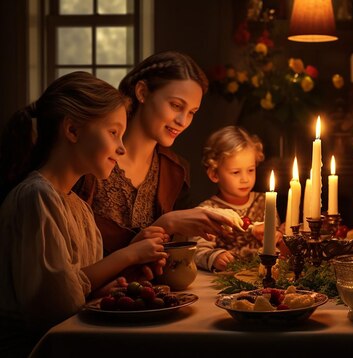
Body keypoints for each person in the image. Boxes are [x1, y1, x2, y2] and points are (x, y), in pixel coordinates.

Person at [0, 72, 170, 356]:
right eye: (113, 132)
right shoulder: (36, 197)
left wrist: (118, 275)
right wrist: (127, 255)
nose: (121, 147)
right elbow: (57, 307)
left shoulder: (78, 207)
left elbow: (80, 284)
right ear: (73, 131)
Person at [74, 51, 240, 261]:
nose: (183, 121)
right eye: (176, 105)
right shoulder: (94, 156)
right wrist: (167, 222)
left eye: (192, 112)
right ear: (142, 92)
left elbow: (173, 255)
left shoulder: (175, 170)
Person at [192, 126, 282, 271]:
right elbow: (196, 251)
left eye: (251, 170)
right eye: (235, 172)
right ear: (214, 174)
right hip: (225, 283)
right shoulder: (207, 210)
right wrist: (215, 257)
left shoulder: (265, 202)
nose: (245, 179)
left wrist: (275, 236)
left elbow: (277, 245)